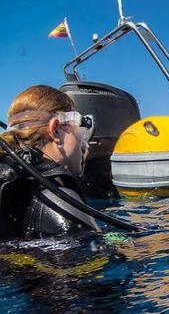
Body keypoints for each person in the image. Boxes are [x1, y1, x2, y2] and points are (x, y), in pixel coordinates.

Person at [0, 85, 100, 239]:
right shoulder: (60, 206)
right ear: (55, 131)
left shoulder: (11, 185)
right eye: (79, 130)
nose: (84, 144)